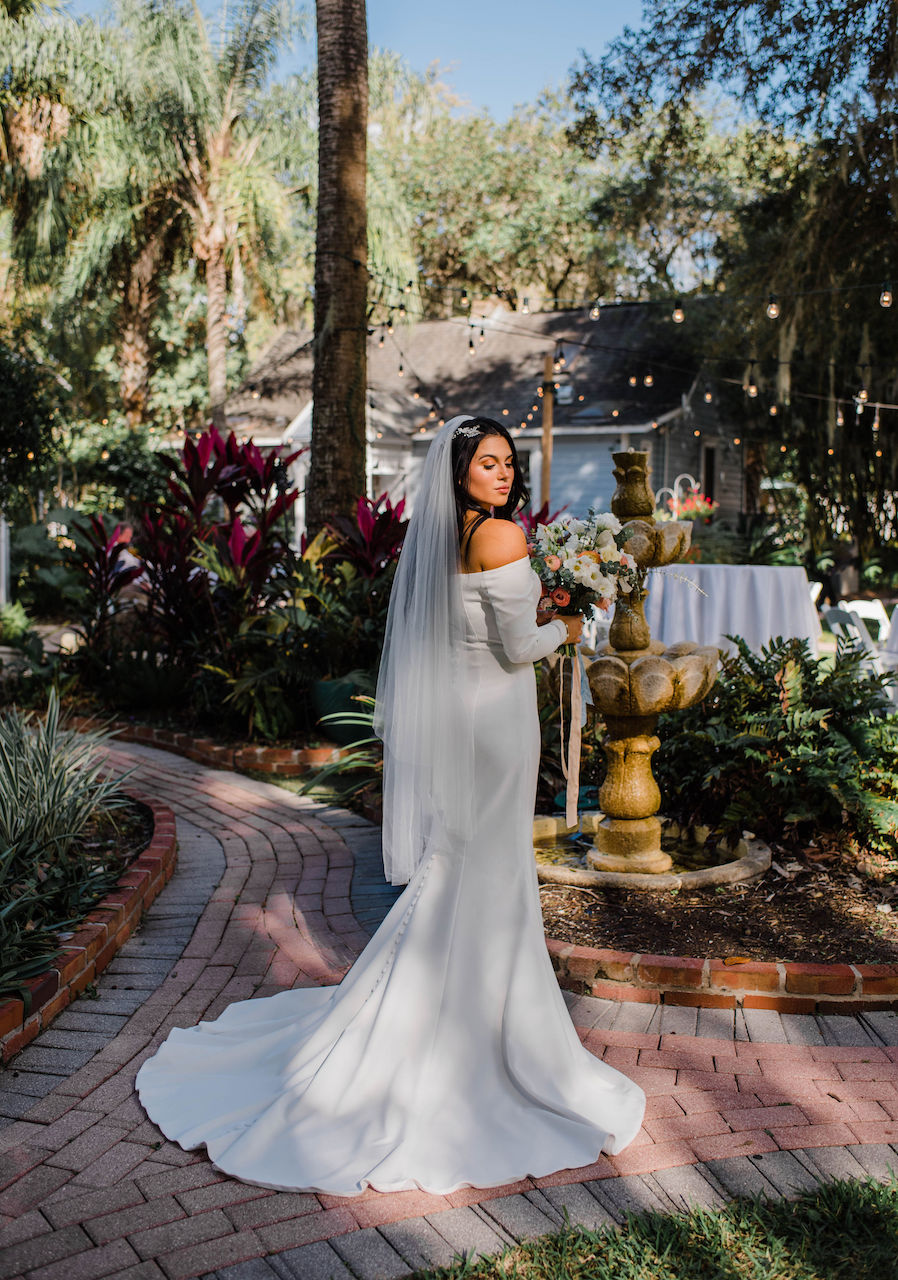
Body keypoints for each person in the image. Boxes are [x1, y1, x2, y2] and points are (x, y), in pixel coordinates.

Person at [135, 415, 646, 1195]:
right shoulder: (501, 539)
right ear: (460, 473)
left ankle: (452, 1010)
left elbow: (481, 630)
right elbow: (519, 647)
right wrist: (571, 619)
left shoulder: (448, 538)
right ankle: (485, 1033)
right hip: (497, 727)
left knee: (467, 865)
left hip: (468, 723)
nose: (503, 475)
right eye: (488, 464)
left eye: (508, 463)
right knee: (489, 867)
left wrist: (549, 603)